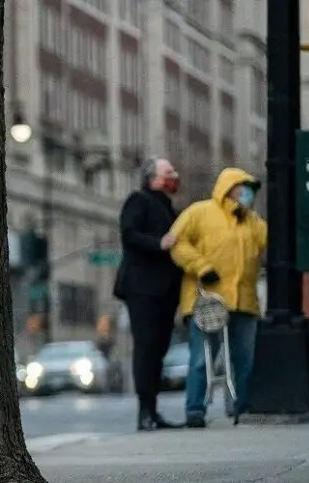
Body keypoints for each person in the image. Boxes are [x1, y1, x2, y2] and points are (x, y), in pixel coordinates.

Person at [167, 167, 267, 428]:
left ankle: (241, 408)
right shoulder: (199, 213)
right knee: (201, 359)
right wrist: (202, 267)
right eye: (242, 187)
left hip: (243, 302)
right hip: (206, 302)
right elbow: (177, 242)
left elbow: (270, 246)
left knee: (244, 360)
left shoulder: (253, 222)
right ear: (228, 188)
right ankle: (195, 410)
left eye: (251, 189)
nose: (247, 194)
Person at [114, 157, 185, 431]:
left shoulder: (169, 207)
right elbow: (129, 235)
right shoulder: (138, 200)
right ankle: (145, 412)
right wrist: (159, 243)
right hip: (143, 289)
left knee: (158, 350)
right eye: (169, 172)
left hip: (166, 291)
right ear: (153, 178)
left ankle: (153, 411)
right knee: (146, 348)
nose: (174, 176)